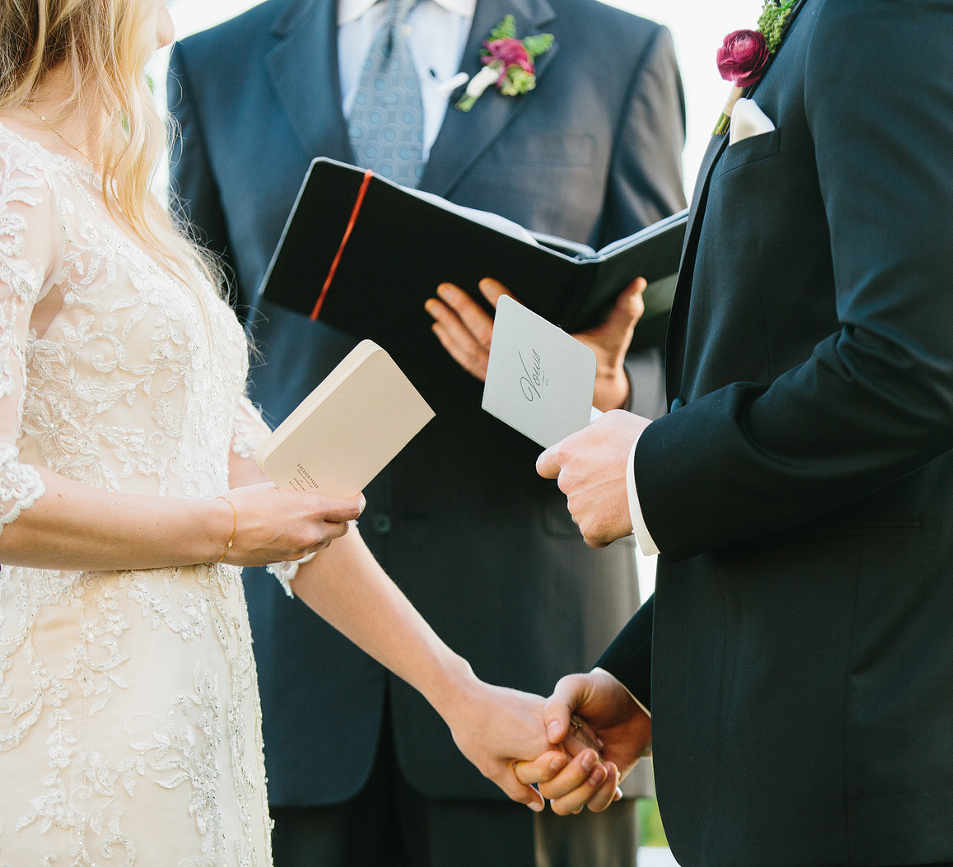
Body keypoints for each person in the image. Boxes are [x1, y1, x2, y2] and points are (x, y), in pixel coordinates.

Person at [519, 0, 953, 864]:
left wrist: (651, 469)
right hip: (835, 762)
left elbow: (915, 366)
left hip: (889, 772)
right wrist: (648, 676)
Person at [0, 0, 593, 862]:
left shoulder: (127, 215)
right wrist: (230, 530)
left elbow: (270, 488)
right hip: (76, 723)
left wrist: (456, 690)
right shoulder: (12, 181)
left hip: (196, 721)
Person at [168, 0, 686, 863]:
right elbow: (187, 365)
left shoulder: (620, 54)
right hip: (291, 671)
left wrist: (588, 387)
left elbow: (675, 357)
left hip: (539, 674)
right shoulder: (211, 64)